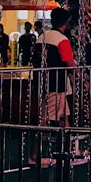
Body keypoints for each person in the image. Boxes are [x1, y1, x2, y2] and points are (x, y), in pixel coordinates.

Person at [28, 8, 75, 164]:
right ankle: (34, 154)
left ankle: (69, 149)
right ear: (66, 22)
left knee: (64, 117)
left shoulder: (42, 37)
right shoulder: (61, 39)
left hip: (43, 83)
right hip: (57, 85)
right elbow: (69, 63)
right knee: (45, 120)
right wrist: (81, 76)